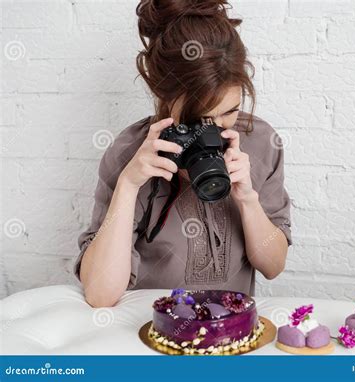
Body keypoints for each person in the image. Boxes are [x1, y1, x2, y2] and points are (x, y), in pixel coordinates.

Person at [74, 0, 292, 308]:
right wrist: (128, 185)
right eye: (197, 118)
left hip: (228, 336)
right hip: (153, 334)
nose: (212, 132)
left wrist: (247, 198)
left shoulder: (260, 141)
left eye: (229, 112)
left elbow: (273, 266)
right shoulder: (130, 152)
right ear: (163, 97)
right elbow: (100, 294)